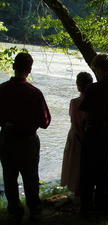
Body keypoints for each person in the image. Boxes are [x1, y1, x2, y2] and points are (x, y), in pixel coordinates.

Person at [0, 52, 51, 222]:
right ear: (29, 69)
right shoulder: (35, 93)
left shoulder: (2, 90)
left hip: (7, 139)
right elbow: (45, 122)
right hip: (28, 141)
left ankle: (15, 211)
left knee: (9, 177)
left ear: (14, 67)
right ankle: (34, 210)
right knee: (31, 177)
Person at [79, 54, 108, 217]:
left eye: (94, 69)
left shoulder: (93, 88)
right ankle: (102, 207)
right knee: (103, 173)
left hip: (92, 134)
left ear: (98, 69)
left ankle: (85, 208)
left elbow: (84, 113)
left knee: (87, 172)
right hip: (106, 137)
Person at [61, 72, 93, 196]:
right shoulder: (95, 102)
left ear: (78, 86)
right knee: (87, 166)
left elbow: (75, 123)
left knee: (75, 165)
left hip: (76, 137)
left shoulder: (75, 102)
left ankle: (77, 193)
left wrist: (80, 137)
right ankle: (87, 192)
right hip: (91, 137)